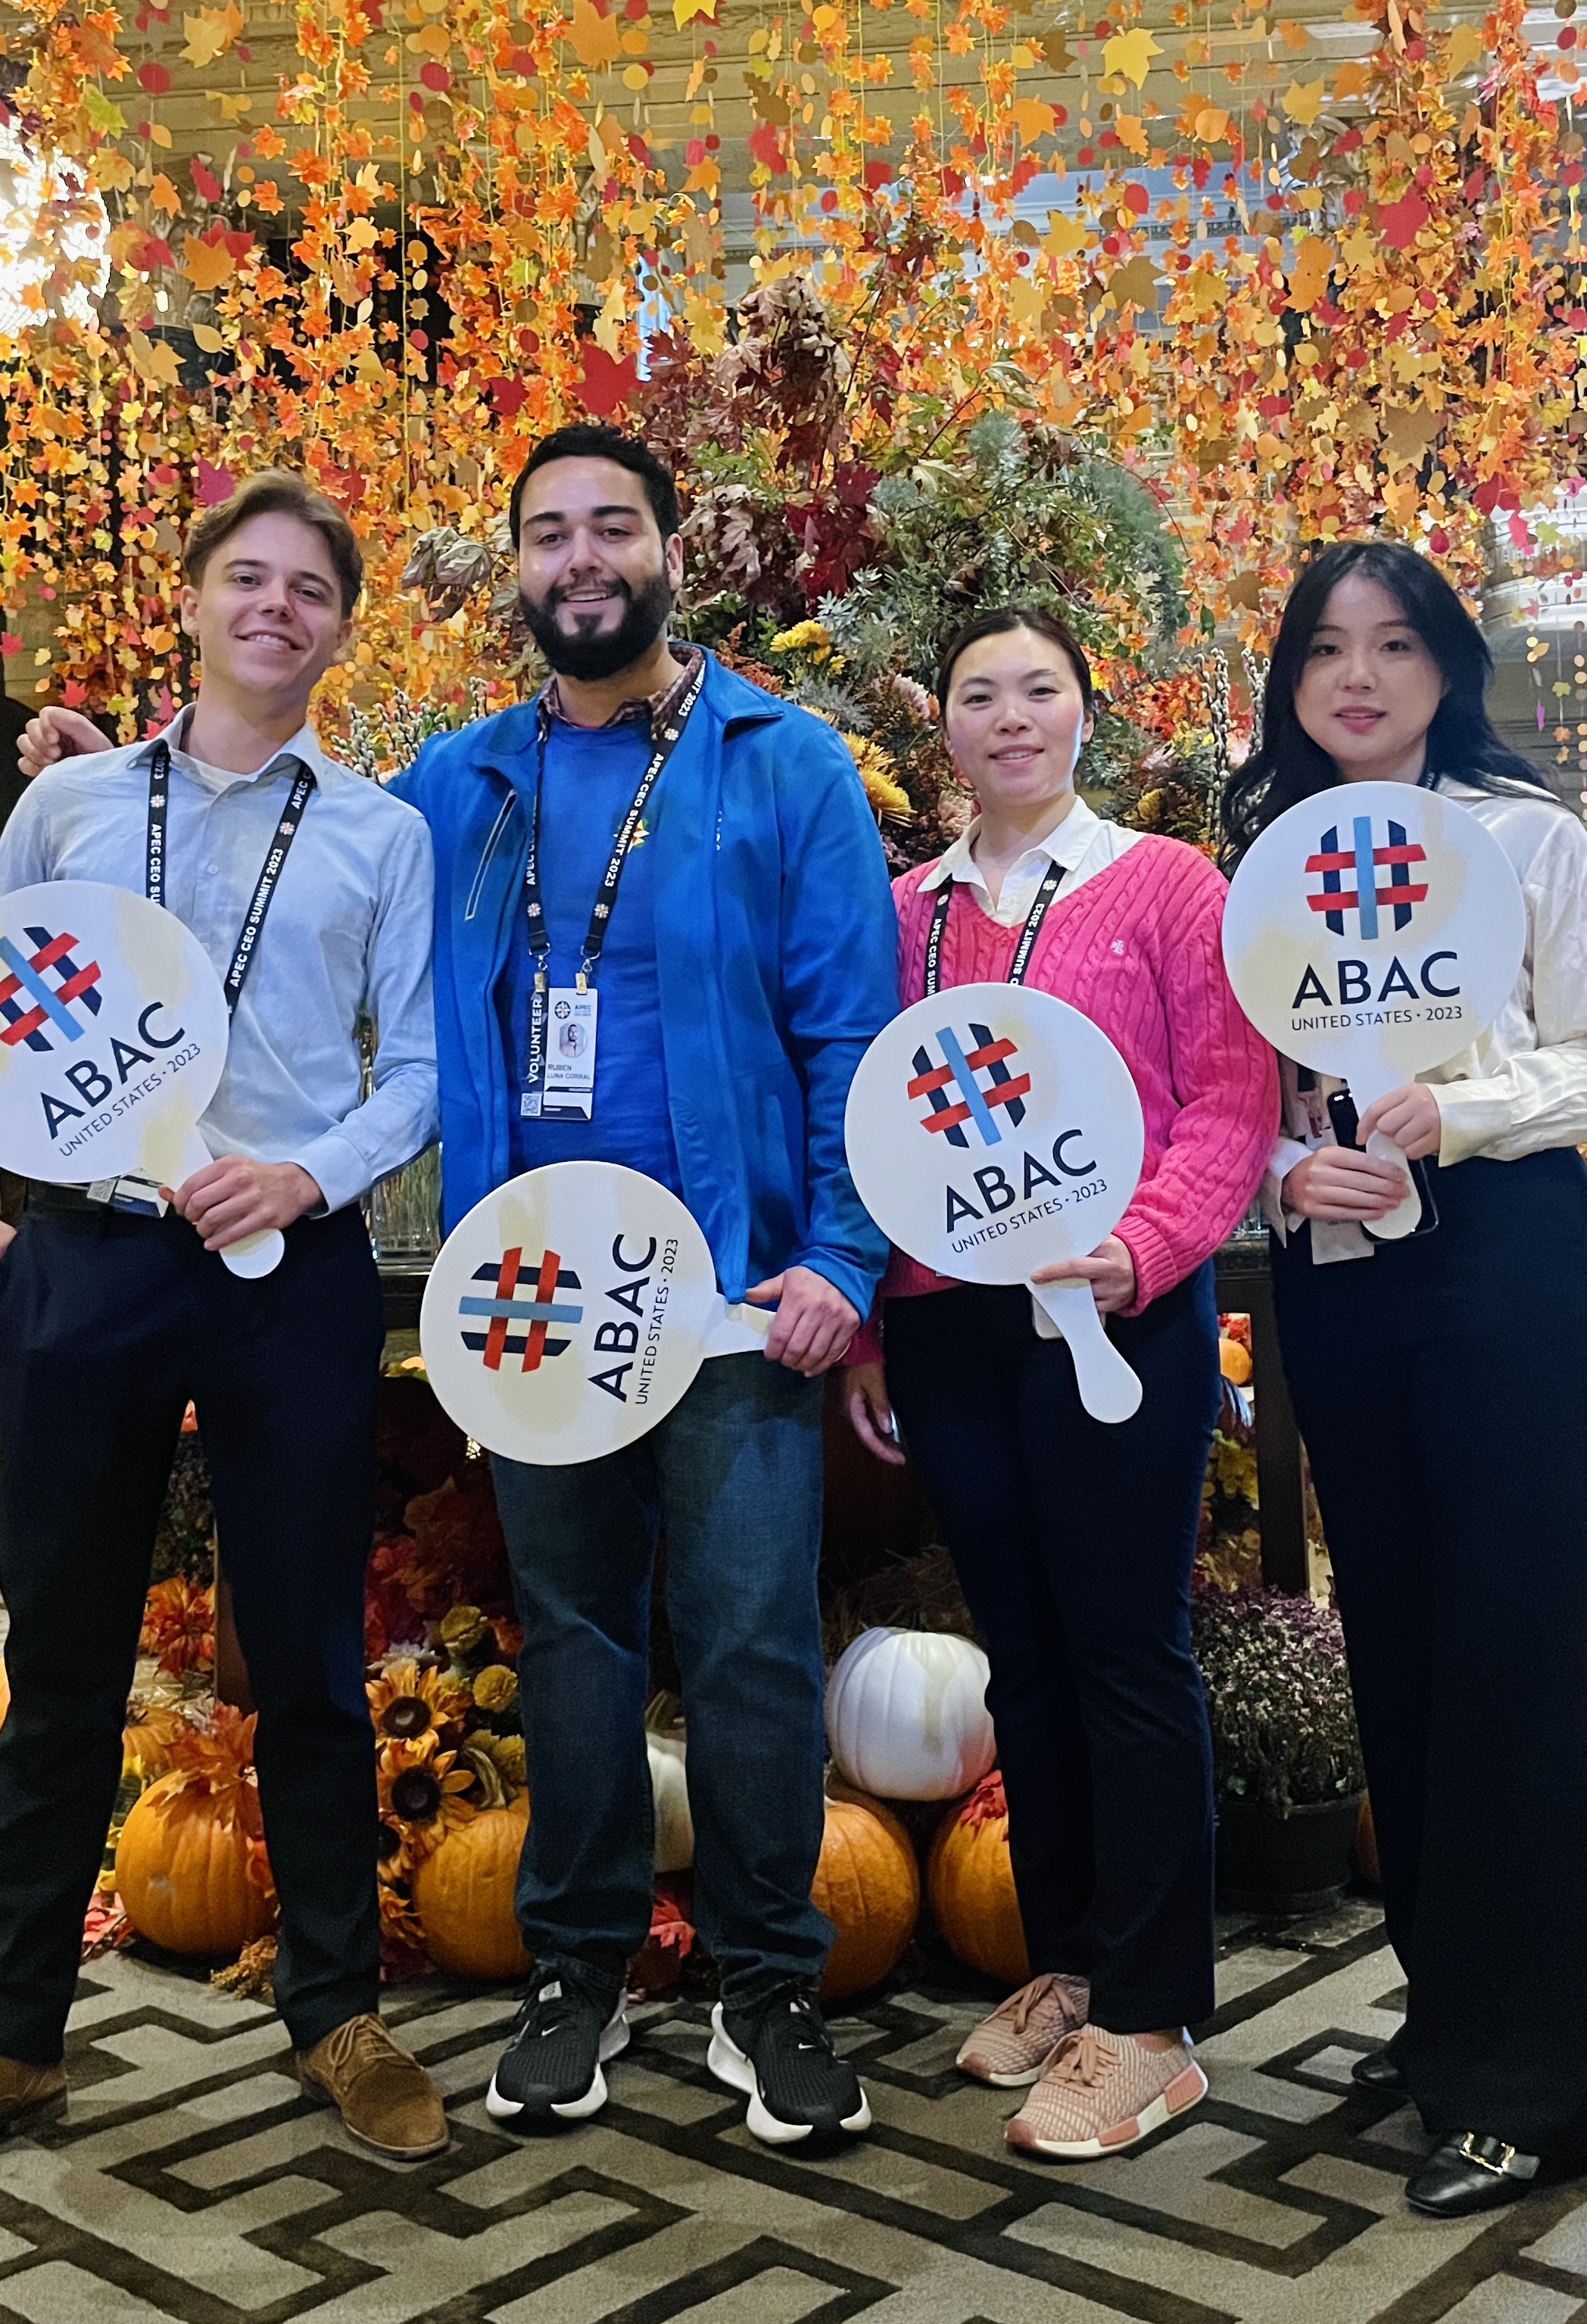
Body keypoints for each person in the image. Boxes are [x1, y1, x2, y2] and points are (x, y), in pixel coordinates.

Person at [0, 469, 443, 2207]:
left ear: (337, 624)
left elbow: (417, 1071)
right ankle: (10, 2030)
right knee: (63, 1654)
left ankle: (337, 2010)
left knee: (313, 1651)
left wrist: (307, 1171)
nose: (274, 607)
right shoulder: (80, 801)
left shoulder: (381, 832)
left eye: (308, 587)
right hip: (86, 1263)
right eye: (244, 577)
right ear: (187, 602)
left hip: (291, 1267)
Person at [389, 423, 900, 2145]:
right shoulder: (457, 784)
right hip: (533, 1296)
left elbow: (849, 1033)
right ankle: (576, 1969)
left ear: (674, 554)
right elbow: (305, 913)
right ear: (519, 564)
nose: (583, 557)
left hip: (738, 1295)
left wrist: (843, 1251)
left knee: (752, 1640)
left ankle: (770, 1983)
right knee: (579, 1638)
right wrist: (113, 787)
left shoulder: (783, 762)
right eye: (550, 532)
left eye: (615, 525)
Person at [1224, 540, 1587, 2218]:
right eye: (1328, 647)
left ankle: (1538, 2088)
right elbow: (1242, 1090)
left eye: (1395, 643)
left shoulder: (1523, 835)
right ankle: (1450, 2019)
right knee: (1396, 1655)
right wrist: (1285, 1168)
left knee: (1509, 1656)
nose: (1359, 674)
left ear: (1445, 664)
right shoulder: (1275, 861)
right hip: (1343, 1288)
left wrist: (1455, 1111)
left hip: (1501, 1269)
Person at [840, 606, 1278, 2157]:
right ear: (940, 726)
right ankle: (1072, 1963)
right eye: (978, 693)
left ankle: (1153, 2025)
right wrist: (888, 1322)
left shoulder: (1166, 886)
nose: (1011, 716)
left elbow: (1228, 1102)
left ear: (1085, 714)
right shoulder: (902, 913)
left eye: (1041, 689)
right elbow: (881, 1132)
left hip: (1115, 1316)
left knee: (1123, 1647)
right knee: (1019, 1657)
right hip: (957, 1329)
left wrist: (1146, 1250)